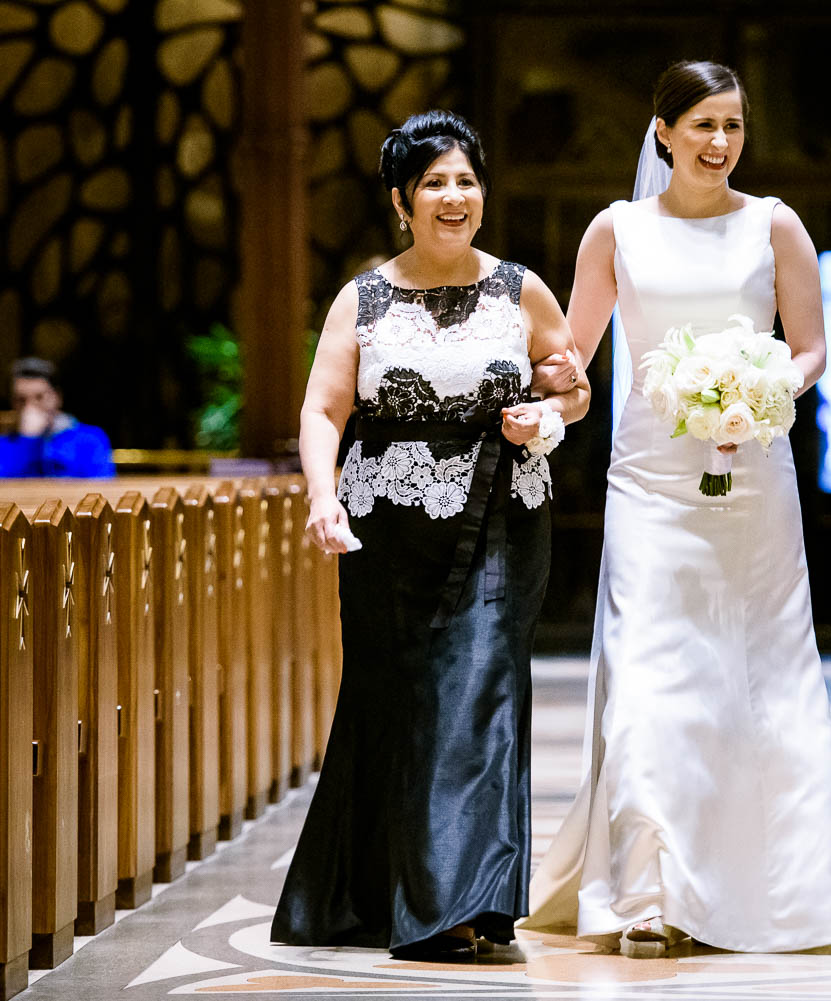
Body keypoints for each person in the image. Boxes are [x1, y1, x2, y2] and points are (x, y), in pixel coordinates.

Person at [522, 61, 831, 956]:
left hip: (753, 479)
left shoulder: (776, 225)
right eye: (701, 125)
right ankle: (646, 891)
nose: (719, 143)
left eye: (733, 125)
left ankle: (779, 881)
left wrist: (760, 385)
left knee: (759, 679)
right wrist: (549, 392)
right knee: (651, 676)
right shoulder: (614, 231)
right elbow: (573, 358)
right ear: (663, 132)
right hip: (649, 484)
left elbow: (811, 351)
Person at [272, 110, 590, 960]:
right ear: (401, 202)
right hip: (385, 531)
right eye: (435, 183)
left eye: (466, 180)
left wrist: (548, 408)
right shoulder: (365, 297)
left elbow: (575, 389)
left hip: (500, 519)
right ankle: (384, 891)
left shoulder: (521, 287)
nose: (454, 196)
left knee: (479, 690)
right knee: (396, 701)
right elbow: (321, 408)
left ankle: (461, 901)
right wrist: (320, 496)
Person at [0, 357, 114, 478]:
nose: (30, 407)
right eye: (21, 400)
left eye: (39, 397)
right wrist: (28, 441)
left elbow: (100, 488)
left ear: (57, 397)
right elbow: (1, 489)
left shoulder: (91, 439)